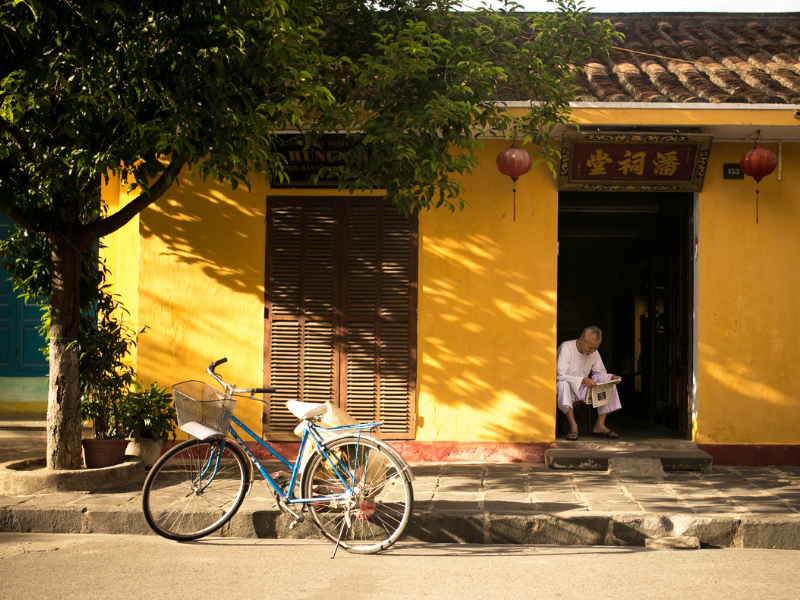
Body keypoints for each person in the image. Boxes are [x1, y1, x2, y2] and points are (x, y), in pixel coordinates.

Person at [556, 326, 621, 440]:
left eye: (596, 348)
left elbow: (599, 373)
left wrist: (611, 377)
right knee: (562, 384)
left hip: (583, 389)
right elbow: (560, 374)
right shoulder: (566, 347)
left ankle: (600, 425)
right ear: (581, 340)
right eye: (591, 347)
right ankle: (573, 426)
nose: (592, 351)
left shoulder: (594, 352)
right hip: (567, 388)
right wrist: (582, 380)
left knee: (609, 383)